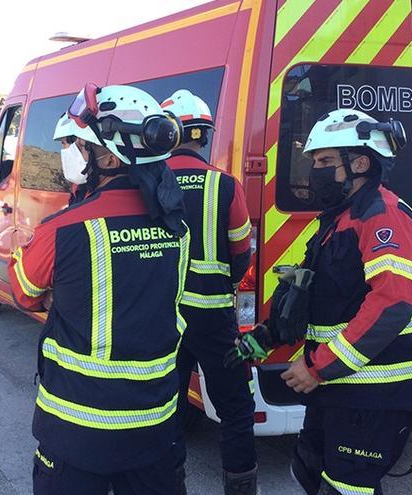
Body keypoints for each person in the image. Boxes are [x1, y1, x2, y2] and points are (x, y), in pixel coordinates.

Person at [226, 109, 412, 495]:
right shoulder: (338, 219)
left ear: (361, 163)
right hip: (337, 389)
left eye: (325, 161)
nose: (315, 170)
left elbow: (392, 302)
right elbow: (308, 295)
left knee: (344, 489)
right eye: (314, 161)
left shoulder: (382, 216)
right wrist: (263, 338)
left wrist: (318, 367)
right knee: (306, 473)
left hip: (373, 394)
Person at [9, 83, 188, 495]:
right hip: (155, 423)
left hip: (76, 429)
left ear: (108, 156)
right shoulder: (176, 226)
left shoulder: (64, 228)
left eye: (77, 142)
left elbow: (22, 291)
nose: (69, 150)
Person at [160, 90, 257, 495]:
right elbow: (241, 254)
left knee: (167, 411)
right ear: (203, 135)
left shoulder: (149, 184)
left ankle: (169, 485)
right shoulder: (226, 186)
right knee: (235, 410)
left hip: (165, 320)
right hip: (216, 320)